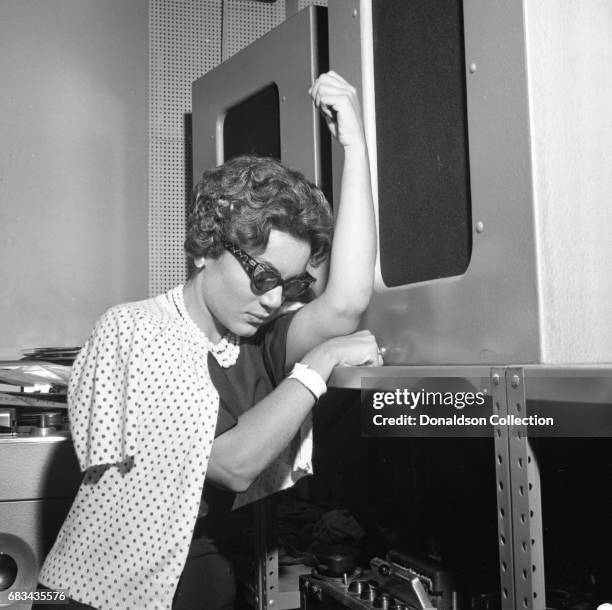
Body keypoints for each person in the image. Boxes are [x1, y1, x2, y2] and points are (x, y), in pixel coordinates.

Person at [37, 71, 380, 610]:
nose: (274, 300)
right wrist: (319, 365)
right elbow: (231, 463)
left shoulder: (252, 338)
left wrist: (356, 145)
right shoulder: (134, 331)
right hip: (97, 598)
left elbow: (345, 303)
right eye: (263, 276)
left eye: (288, 285)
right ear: (205, 247)